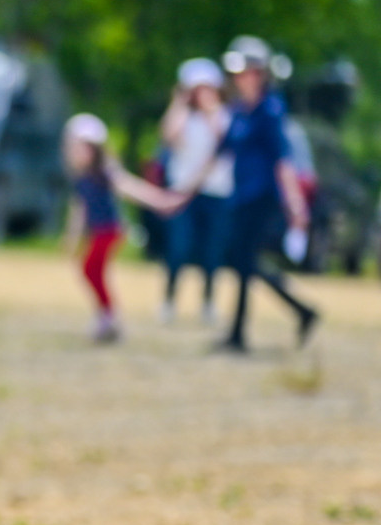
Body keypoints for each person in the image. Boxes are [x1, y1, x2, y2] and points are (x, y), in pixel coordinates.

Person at [184, 36, 316, 353]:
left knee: (242, 259)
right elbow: (220, 152)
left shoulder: (270, 110)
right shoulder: (240, 110)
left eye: (247, 71)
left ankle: (240, 334)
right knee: (242, 260)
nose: (242, 78)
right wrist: (184, 191)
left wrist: (295, 204)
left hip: (263, 197)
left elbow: (283, 159)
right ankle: (297, 312)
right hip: (241, 197)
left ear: (261, 73)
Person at [61, 114, 174, 344]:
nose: (79, 153)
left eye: (84, 148)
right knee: (92, 271)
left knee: (90, 269)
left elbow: (131, 188)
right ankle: (106, 315)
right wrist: (71, 237)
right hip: (98, 231)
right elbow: (79, 210)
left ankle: (108, 315)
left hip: (111, 230)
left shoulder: (105, 172)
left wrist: (160, 200)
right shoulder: (81, 178)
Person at [156, 58, 232, 323]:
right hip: (181, 192)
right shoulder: (183, 116)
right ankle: (169, 300)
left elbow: (223, 141)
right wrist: (178, 102)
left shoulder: (225, 115)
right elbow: (169, 136)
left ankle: (208, 302)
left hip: (215, 192)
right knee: (179, 247)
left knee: (212, 251)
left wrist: (211, 110)